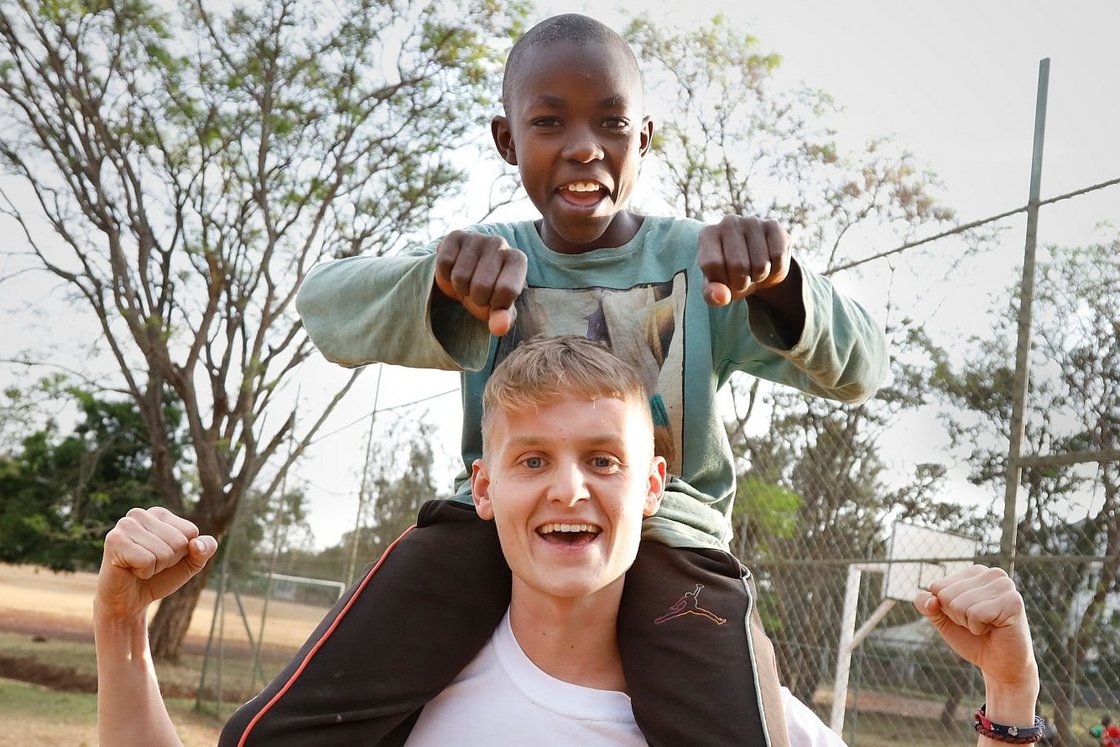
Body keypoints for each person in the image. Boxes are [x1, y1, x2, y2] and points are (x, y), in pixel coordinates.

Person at [229, 12, 892, 745]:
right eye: (549, 123)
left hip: (669, 539)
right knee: (275, 728)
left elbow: (864, 368)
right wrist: (442, 285)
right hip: (495, 526)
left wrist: (784, 284)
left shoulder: (703, 266)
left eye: (611, 124)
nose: (584, 148)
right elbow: (325, 307)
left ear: (643, 139)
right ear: (506, 139)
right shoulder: (487, 257)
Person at [95, 336, 1045, 746]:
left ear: (652, 487)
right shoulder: (405, 696)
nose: (569, 487)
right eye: (533, 459)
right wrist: (122, 632)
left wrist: (1009, 695)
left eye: (603, 458)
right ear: (484, 488)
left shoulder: (744, 709)